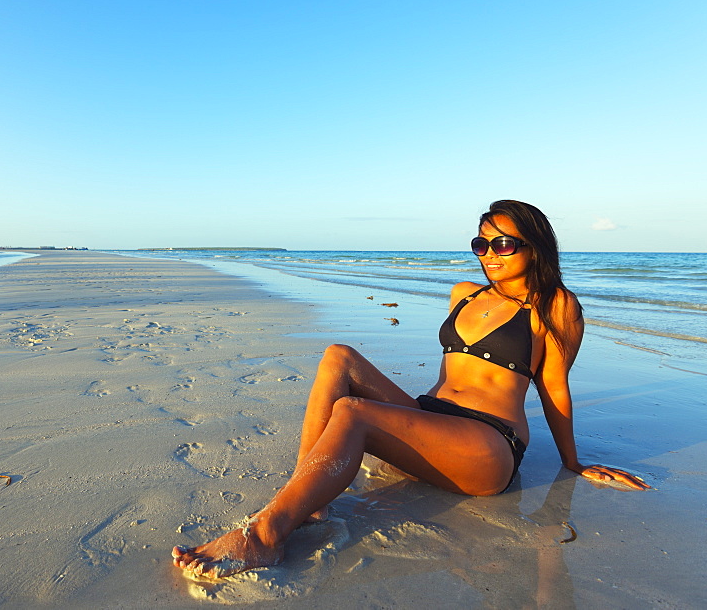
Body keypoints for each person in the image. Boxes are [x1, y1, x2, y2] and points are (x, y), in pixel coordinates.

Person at [172, 199, 650, 579]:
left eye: (504, 245)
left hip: (487, 446)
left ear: (536, 247)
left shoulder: (556, 306)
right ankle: (309, 500)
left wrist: (575, 463)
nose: (490, 256)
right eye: (482, 245)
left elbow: (554, 390)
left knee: (355, 411)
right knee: (338, 356)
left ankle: (266, 534)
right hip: (429, 420)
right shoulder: (465, 292)